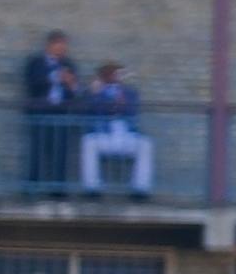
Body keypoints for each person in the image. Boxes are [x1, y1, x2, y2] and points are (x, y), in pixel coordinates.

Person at [21, 30, 81, 192]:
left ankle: (58, 189)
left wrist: (71, 83)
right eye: (60, 45)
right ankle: (32, 186)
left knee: (60, 150)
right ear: (50, 45)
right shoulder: (36, 62)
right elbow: (32, 83)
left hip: (61, 113)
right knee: (38, 149)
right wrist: (55, 78)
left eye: (64, 46)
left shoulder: (69, 65)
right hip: (40, 112)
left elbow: (75, 92)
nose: (63, 49)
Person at [80, 66, 151, 195]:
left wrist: (123, 104)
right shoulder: (95, 91)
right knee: (89, 142)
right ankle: (92, 187)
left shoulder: (130, 92)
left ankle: (140, 188)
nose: (114, 77)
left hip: (125, 132)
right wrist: (96, 95)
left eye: (117, 74)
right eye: (110, 74)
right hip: (105, 132)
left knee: (145, 144)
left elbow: (133, 111)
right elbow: (90, 109)